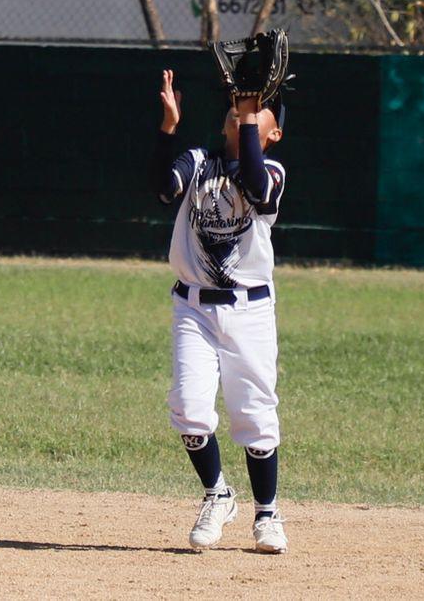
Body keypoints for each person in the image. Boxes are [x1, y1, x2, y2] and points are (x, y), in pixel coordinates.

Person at [152, 68, 289, 554]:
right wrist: (168, 128)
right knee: (189, 410)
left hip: (250, 312)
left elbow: (252, 181)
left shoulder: (272, 172)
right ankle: (218, 494)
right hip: (193, 307)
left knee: (253, 414)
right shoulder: (197, 160)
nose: (242, 114)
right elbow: (162, 187)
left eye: (254, 115)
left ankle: (268, 513)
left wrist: (250, 118)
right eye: (237, 112)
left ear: (272, 133)